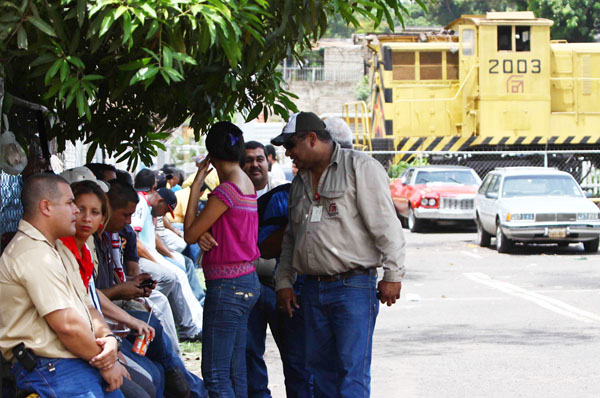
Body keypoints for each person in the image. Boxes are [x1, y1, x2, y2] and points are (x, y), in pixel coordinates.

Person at [272, 111, 406, 398]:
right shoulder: (300, 182)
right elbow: (291, 239)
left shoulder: (361, 168)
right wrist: (283, 281)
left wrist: (392, 274)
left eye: (291, 146)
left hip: (353, 288)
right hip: (310, 289)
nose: (288, 154)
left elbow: (386, 225)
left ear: (311, 139)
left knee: (350, 373)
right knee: (319, 374)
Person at [0, 173, 125, 397]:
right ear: (46, 207)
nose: (76, 211)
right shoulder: (32, 253)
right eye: (70, 203)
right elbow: (68, 326)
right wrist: (106, 362)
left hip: (74, 359)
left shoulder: (58, 250)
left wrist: (108, 339)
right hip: (50, 367)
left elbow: (88, 307)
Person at [55, 176, 158, 398]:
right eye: (80, 209)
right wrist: (109, 360)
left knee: (151, 378)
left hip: (96, 340)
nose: (85, 218)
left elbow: (91, 302)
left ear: (103, 217)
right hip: (68, 353)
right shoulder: (58, 251)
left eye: (94, 212)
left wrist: (114, 340)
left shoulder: (86, 248)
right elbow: (71, 322)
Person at [184, 122, 260, 397]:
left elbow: (190, 234)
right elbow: (223, 228)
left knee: (216, 375)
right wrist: (206, 231)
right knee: (234, 370)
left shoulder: (225, 191)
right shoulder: (247, 184)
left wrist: (195, 187)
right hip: (246, 282)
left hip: (228, 287)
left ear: (211, 157)